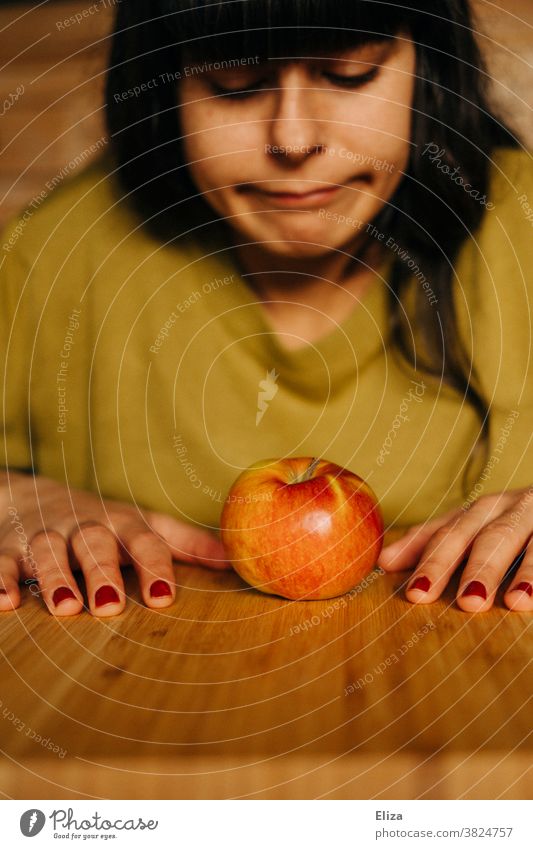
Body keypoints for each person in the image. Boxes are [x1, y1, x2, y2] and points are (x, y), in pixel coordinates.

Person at [1, 0, 532, 617]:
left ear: (430, 71)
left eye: (349, 75)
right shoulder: (54, 250)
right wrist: (15, 499)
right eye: (236, 87)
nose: (293, 140)